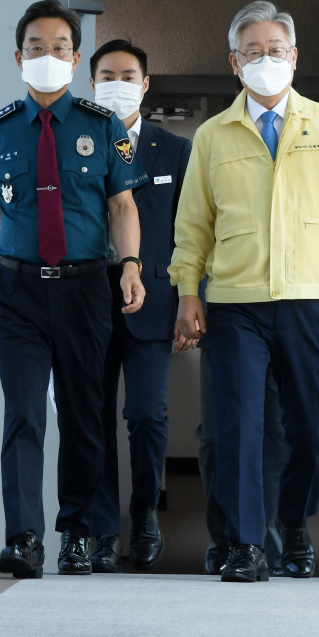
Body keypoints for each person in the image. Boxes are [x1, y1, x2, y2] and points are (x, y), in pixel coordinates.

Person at [169, 0, 319, 582]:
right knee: (237, 426)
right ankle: (244, 543)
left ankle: (294, 524)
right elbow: (192, 226)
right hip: (234, 303)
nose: (266, 60)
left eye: (276, 50)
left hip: (310, 299)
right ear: (235, 63)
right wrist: (189, 291)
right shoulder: (213, 134)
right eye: (253, 52)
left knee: (309, 427)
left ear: (295, 58)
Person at [0, 0, 148, 578]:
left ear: (75, 56)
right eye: (36, 47)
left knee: (84, 414)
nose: (48, 56)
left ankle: (77, 534)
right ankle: (24, 538)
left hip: (85, 289)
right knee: (22, 416)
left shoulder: (104, 126)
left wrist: (132, 265)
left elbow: (122, 205)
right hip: (15, 293)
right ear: (19, 57)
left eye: (59, 47)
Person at [86, 39, 193, 574]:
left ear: (146, 85)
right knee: (95, 417)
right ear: (91, 83)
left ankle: (145, 510)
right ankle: (104, 529)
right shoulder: (74, 141)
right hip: (85, 300)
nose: (118, 83)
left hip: (153, 303)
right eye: (107, 75)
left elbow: (189, 231)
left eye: (128, 75)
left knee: (147, 415)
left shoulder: (173, 150)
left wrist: (187, 300)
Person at [198, 331, 288, 575]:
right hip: (220, 315)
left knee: (277, 439)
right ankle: (225, 539)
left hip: (293, 314)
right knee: (217, 437)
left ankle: (276, 538)